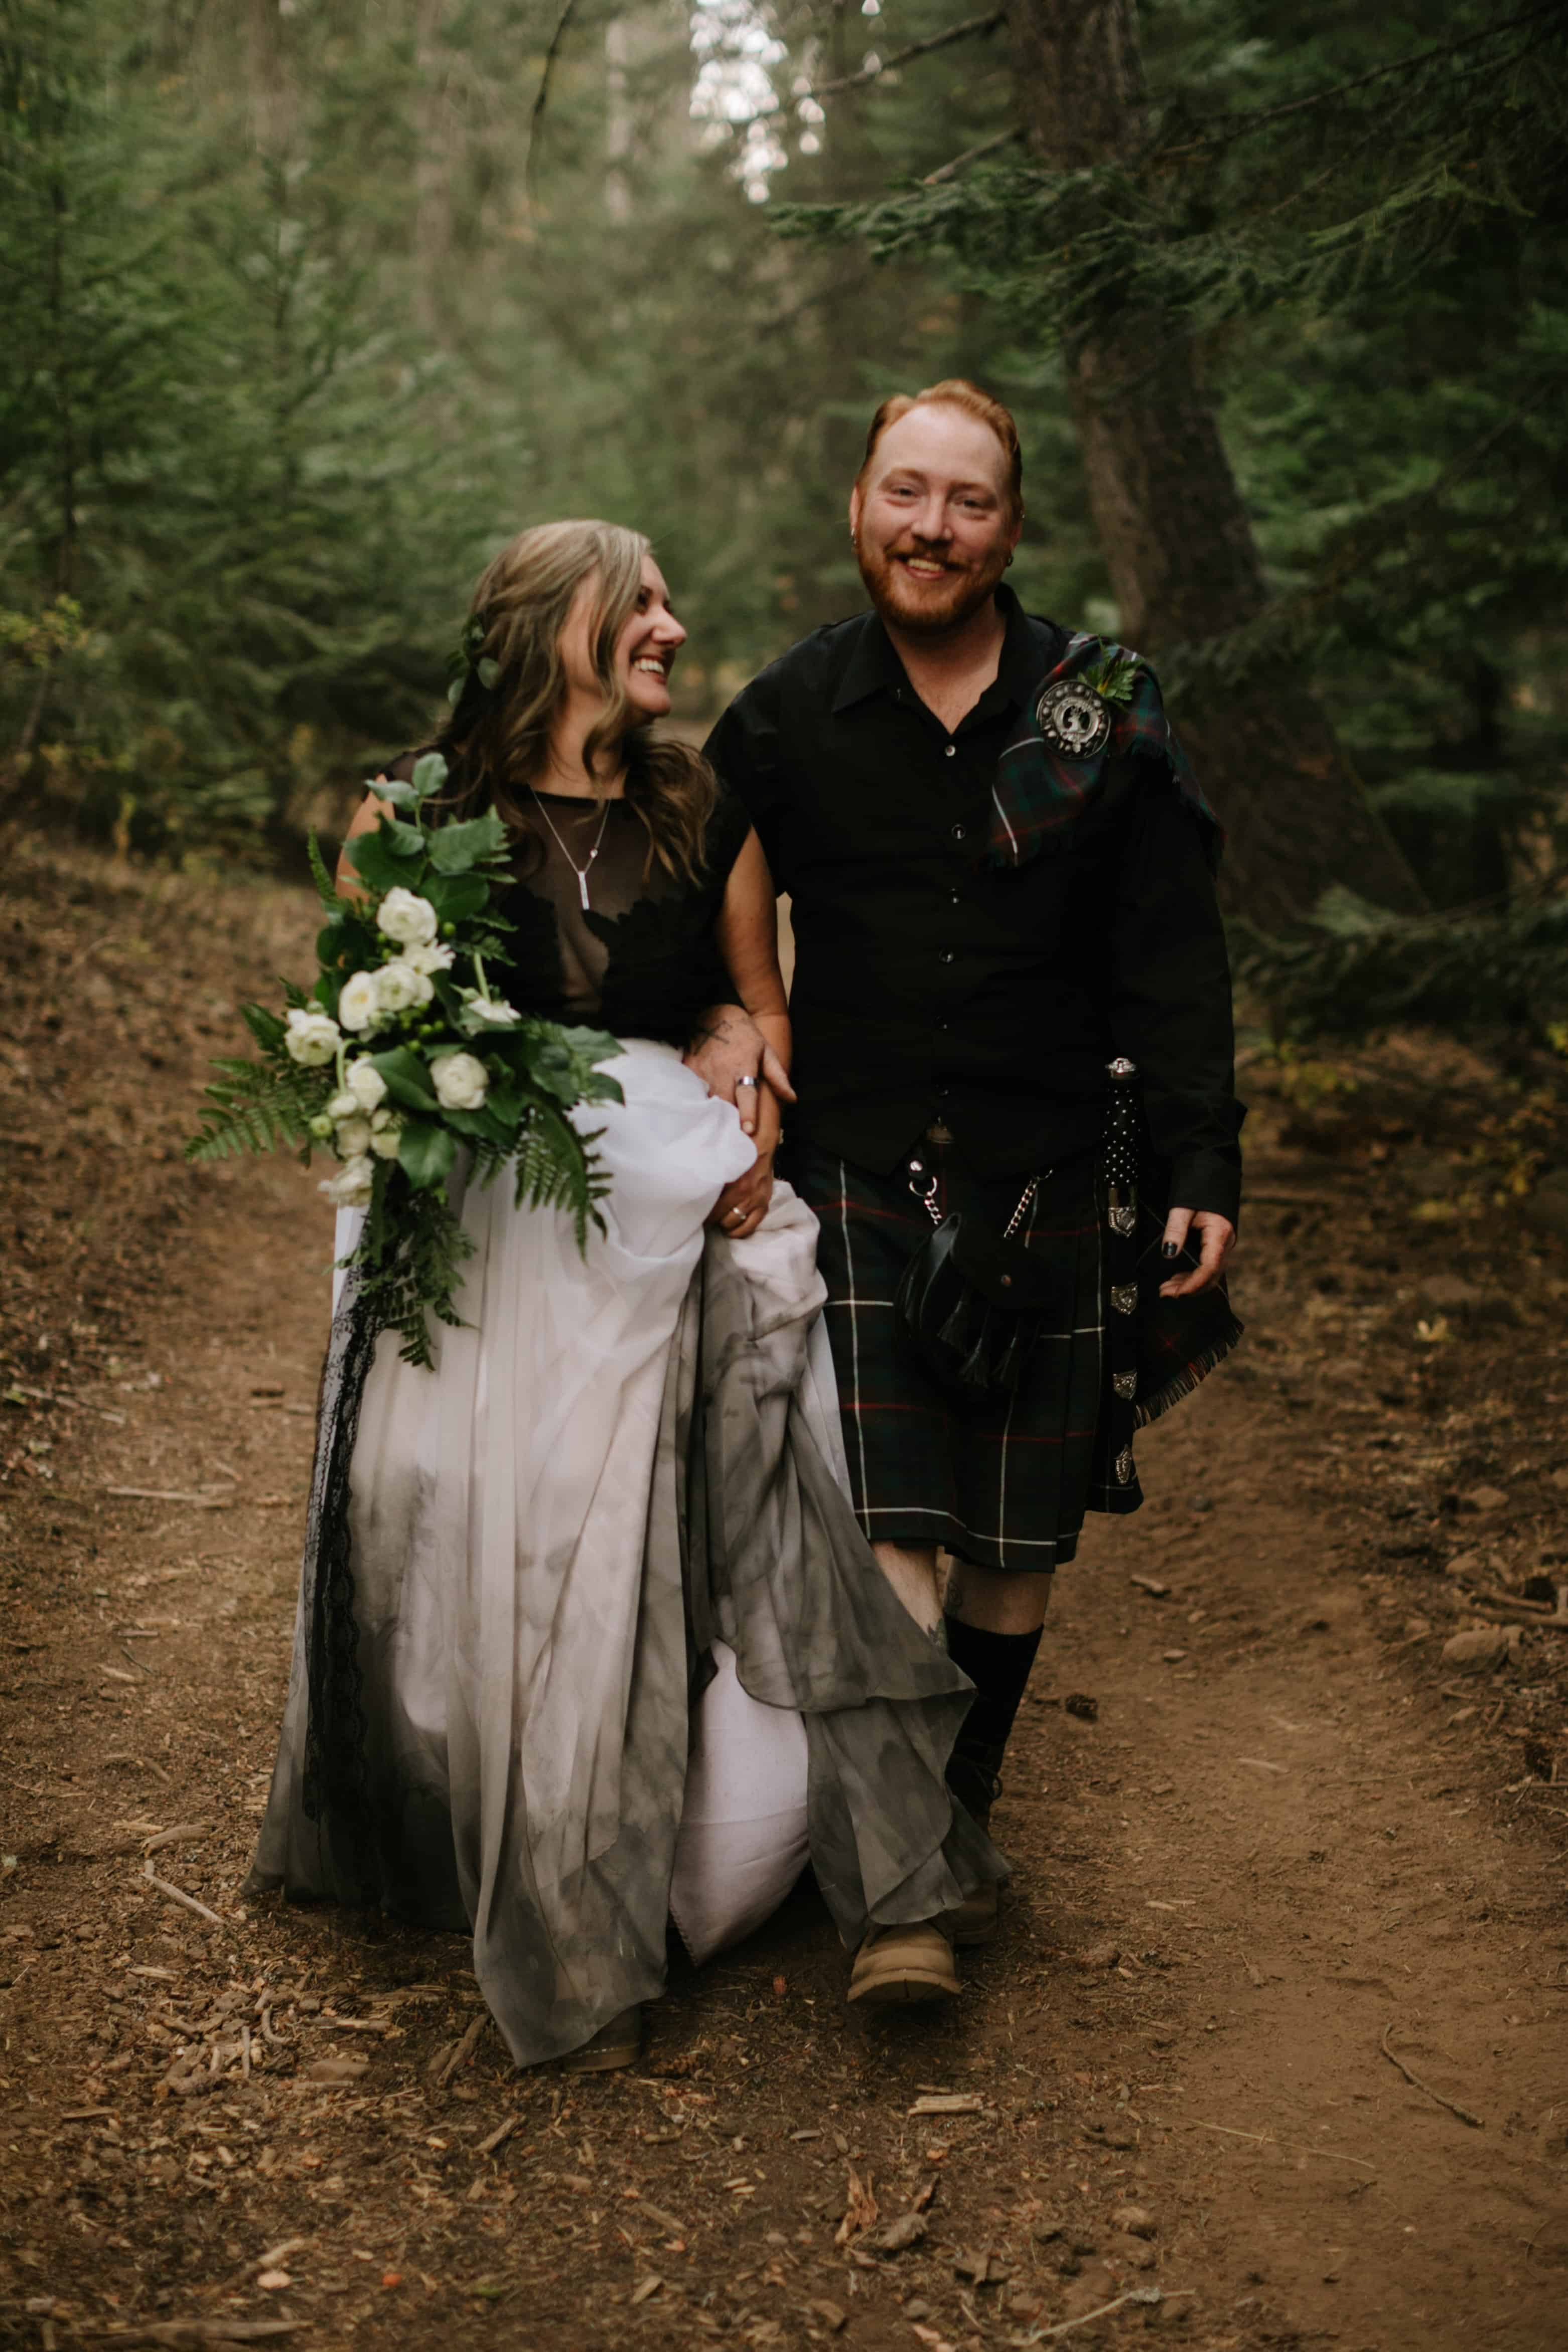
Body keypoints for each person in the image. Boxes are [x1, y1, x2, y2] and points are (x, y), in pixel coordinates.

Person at [245, 519, 1004, 2070]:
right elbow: (350, 1027)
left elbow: (758, 997)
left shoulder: (695, 801)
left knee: (715, 1524)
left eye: (665, 600)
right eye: (639, 603)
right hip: (487, 1236)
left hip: (669, 1217)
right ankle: (509, 1854)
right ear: (550, 626)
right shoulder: (414, 808)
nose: (669, 625)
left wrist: (744, 1056)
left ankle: (749, 1886)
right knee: (478, 1533)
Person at [703, 382, 1244, 1962]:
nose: (930, 528)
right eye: (904, 493)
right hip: (865, 1167)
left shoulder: (1103, 707)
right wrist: (735, 1010)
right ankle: (902, 1896)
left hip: (1054, 1175)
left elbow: (1173, 954)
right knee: (898, 1525)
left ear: (1015, 527)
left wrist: (1206, 1153)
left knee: (1014, 1549)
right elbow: (691, 874)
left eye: (968, 502)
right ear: (859, 505)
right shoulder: (790, 713)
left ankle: (950, 1807)